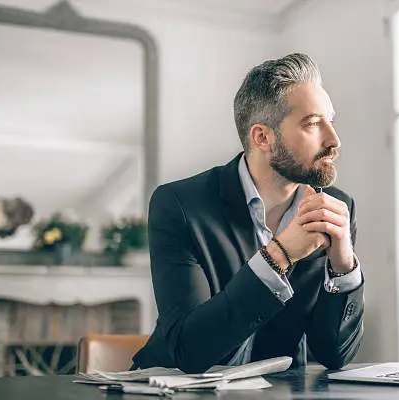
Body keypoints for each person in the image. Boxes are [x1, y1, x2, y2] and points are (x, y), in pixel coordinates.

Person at [132, 53, 364, 373]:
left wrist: (343, 266)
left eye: (331, 121)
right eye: (313, 124)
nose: (334, 139)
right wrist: (279, 255)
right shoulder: (179, 205)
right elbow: (189, 349)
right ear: (262, 137)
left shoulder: (336, 209)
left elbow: (334, 355)